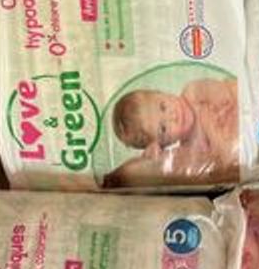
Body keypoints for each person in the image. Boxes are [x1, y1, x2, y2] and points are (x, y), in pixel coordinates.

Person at [102, 77, 239, 187]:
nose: (172, 116)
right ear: (164, 143)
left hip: (237, 104)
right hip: (239, 137)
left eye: (163, 107)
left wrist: (222, 101)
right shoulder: (190, 147)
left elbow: (215, 89)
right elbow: (212, 160)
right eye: (163, 128)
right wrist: (155, 156)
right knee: (226, 160)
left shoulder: (191, 92)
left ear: (162, 92)